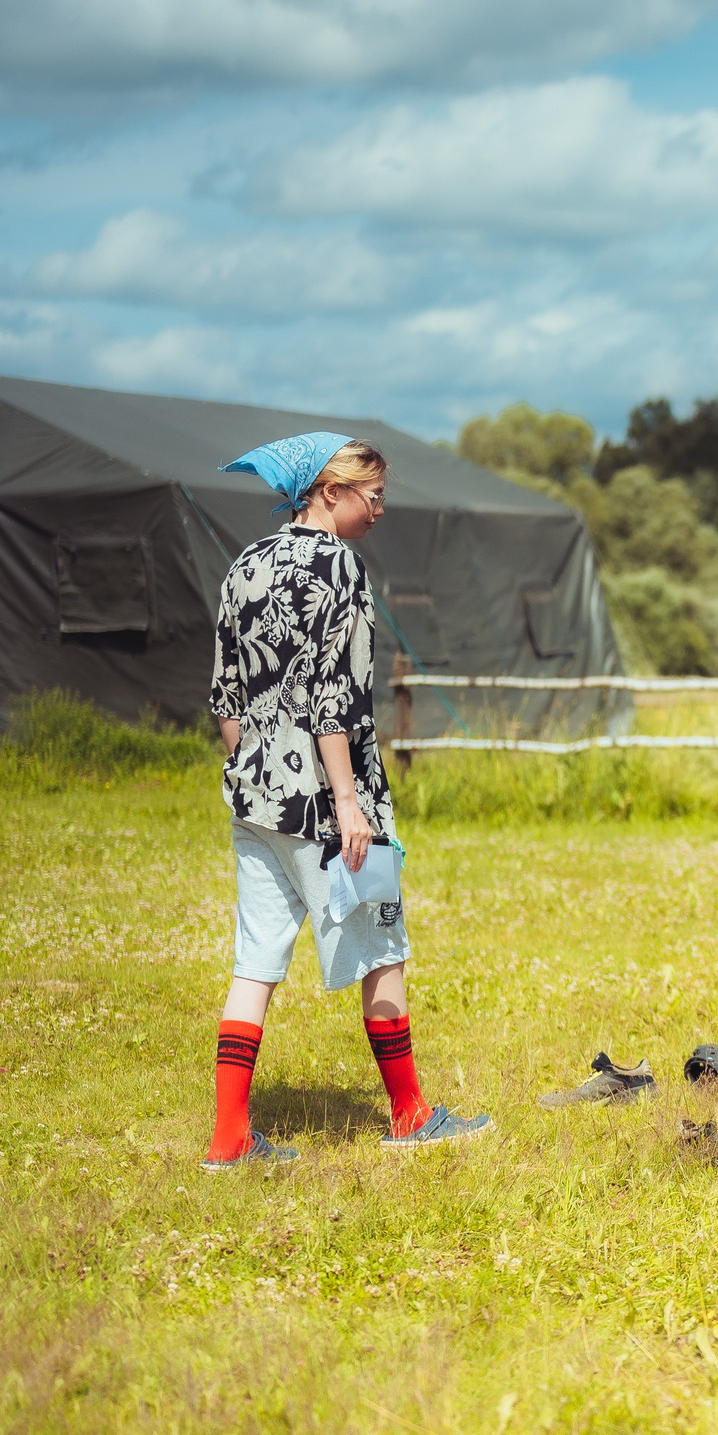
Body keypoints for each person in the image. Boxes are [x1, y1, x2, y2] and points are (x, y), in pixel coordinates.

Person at [202, 432, 493, 1170]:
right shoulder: (340, 566)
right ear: (330, 492)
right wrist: (349, 803)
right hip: (333, 808)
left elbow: (226, 697)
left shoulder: (244, 563)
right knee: (384, 950)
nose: (381, 509)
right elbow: (336, 700)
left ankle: (229, 1138)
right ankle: (411, 1114)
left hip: (256, 801)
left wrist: (253, 770)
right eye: (374, 495)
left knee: (255, 962)